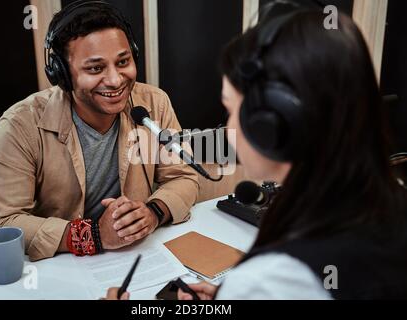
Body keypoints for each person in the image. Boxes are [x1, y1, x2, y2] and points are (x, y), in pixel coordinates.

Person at [106, 5, 407, 300]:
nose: (229, 128)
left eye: (231, 109)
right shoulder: (393, 197)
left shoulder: (273, 278)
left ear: (270, 123)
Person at [0, 1, 199, 262]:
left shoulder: (154, 103)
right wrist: (92, 235)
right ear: (62, 74)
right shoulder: (20, 124)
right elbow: (0, 225)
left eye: (123, 61)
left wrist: (153, 212)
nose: (116, 80)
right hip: (59, 269)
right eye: (95, 68)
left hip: (132, 259)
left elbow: (183, 177)